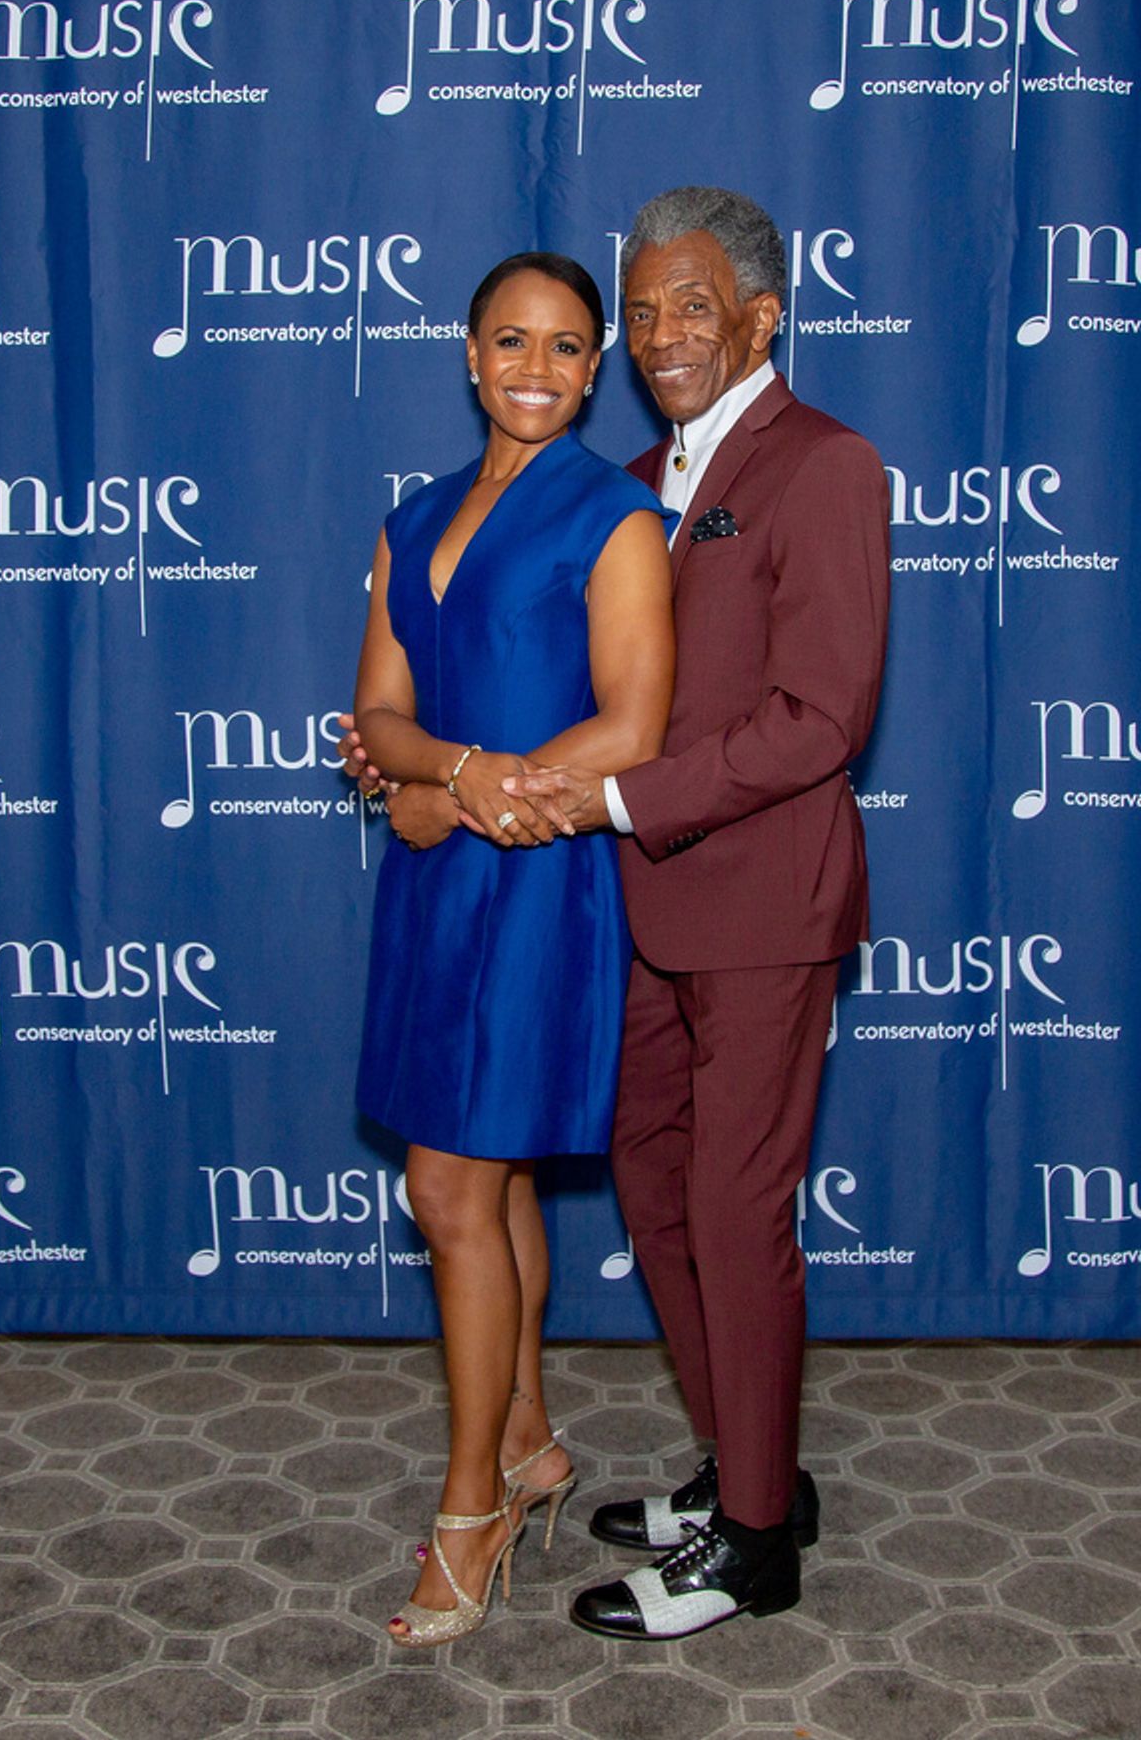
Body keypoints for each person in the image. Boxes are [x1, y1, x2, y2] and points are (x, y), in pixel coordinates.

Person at [501, 187, 891, 1640]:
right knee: (655, 1193)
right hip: (649, 910)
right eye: (644, 308)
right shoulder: (643, 472)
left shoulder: (826, 466)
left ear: (762, 316)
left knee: (733, 1210)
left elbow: (818, 720)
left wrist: (609, 801)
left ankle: (758, 1549)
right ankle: (748, 1467)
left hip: (763, 907)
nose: (662, 334)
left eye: (690, 304)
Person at [351, 251, 676, 1646]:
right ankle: (534, 1438)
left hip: (541, 885)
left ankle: (472, 1508)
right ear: (468, 353)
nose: (535, 367)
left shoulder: (618, 519)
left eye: (564, 346)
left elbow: (632, 731)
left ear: (594, 366)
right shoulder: (410, 518)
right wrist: (434, 784)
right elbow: (377, 716)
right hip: (438, 879)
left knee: (450, 1187)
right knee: (489, 1183)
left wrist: (464, 791)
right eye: (509, 342)